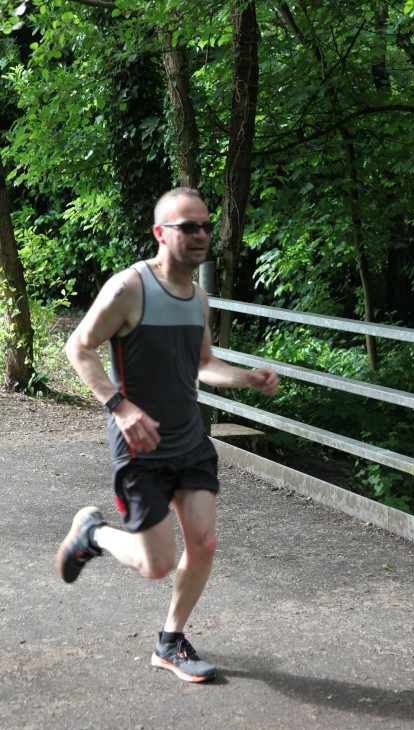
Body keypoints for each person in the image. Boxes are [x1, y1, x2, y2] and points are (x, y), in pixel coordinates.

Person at [56, 187, 279, 683]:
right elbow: (78, 347)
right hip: (141, 446)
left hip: (189, 441)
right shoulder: (129, 288)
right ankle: (92, 534)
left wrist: (247, 378)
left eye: (205, 226)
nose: (201, 235)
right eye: (188, 227)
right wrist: (119, 406)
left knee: (204, 544)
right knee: (156, 564)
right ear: (161, 233)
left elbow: (203, 363)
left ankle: (170, 642)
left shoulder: (198, 297)